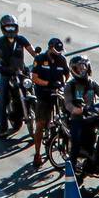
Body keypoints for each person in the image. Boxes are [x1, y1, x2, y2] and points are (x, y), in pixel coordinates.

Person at [62, 55, 99, 171]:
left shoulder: (92, 83)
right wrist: (76, 110)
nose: (82, 70)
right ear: (73, 70)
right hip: (78, 118)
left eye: (84, 66)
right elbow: (68, 103)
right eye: (79, 68)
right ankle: (72, 168)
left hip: (93, 116)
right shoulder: (70, 85)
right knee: (76, 142)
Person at [0, 15, 38, 138]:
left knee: (35, 89)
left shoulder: (21, 40)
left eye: (13, 27)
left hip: (21, 73)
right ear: (3, 28)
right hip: (7, 74)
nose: (10, 30)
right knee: (1, 99)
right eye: (8, 27)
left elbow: (32, 50)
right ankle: (2, 127)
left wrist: (38, 59)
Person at [29, 38, 68, 168]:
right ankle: (37, 154)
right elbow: (34, 78)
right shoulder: (40, 59)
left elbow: (67, 74)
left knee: (65, 119)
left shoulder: (62, 60)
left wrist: (61, 83)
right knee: (40, 124)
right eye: (56, 50)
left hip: (57, 93)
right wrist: (48, 84)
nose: (58, 53)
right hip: (43, 94)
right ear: (50, 48)